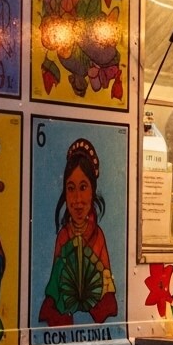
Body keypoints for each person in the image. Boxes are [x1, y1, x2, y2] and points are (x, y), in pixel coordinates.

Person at [39, 138, 117, 326]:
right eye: (71, 189)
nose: (78, 199)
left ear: (93, 191)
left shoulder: (98, 236)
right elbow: (55, 285)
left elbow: (107, 284)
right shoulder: (64, 237)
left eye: (83, 187)